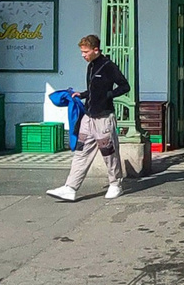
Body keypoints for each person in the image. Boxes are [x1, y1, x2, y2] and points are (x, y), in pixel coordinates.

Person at [48, 34, 131, 202]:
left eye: (85, 52)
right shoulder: (91, 66)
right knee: (81, 151)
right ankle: (70, 187)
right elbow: (93, 89)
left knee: (108, 152)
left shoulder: (108, 66)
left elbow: (125, 86)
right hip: (89, 116)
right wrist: (84, 94)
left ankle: (115, 184)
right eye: (82, 52)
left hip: (103, 117)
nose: (83, 55)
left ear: (95, 50)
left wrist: (109, 95)